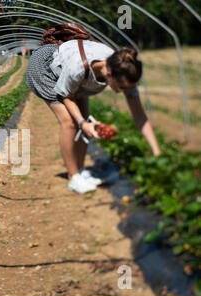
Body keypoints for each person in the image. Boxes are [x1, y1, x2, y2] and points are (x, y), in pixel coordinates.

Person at [26, 39, 162, 194]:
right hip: (45, 69)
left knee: (85, 118)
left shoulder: (123, 69)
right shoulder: (77, 68)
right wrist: (82, 123)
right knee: (70, 122)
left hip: (76, 76)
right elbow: (67, 97)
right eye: (122, 87)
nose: (124, 91)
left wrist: (156, 152)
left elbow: (140, 116)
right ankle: (74, 177)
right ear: (109, 75)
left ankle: (81, 169)